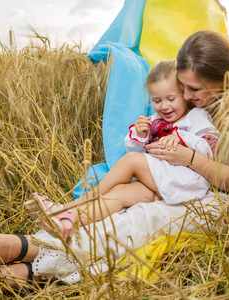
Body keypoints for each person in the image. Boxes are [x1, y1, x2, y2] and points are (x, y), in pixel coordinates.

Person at [0, 30, 229, 298]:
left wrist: (189, 157)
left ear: (222, 79)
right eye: (184, 88)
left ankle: (27, 253)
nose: (187, 97)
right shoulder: (196, 105)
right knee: (123, 198)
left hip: (219, 203)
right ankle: (37, 258)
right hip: (181, 181)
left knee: (141, 219)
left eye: (194, 90)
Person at [24, 59, 219, 238]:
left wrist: (181, 138)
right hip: (160, 186)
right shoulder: (155, 121)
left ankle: (72, 203)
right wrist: (140, 135)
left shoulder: (196, 117)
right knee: (118, 193)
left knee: (132, 160)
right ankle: (68, 220)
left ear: (185, 96)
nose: (164, 106)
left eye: (171, 98)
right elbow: (136, 148)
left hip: (185, 181)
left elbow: (210, 147)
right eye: (157, 101)